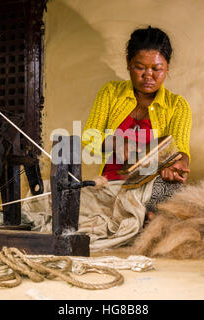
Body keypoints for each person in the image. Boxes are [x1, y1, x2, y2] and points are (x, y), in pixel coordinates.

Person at [82, 26, 192, 221]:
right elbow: (89, 138)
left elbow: (180, 149)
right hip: (110, 185)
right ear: (128, 63)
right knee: (68, 201)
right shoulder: (110, 93)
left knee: (171, 193)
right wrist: (115, 143)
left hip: (150, 186)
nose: (148, 75)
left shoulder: (177, 106)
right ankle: (137, 219)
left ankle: (143, 217)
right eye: (140, 67)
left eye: (157, 68)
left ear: (167, 66)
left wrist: (178, 164)